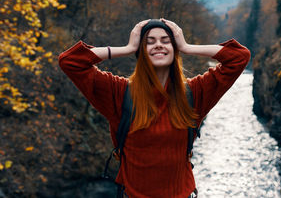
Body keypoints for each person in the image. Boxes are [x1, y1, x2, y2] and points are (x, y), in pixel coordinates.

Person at [58, 19, 250, 198]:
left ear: (175, 49)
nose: (158, 44)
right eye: (150, 42)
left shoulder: (194, 94)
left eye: (166, 41)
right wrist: (127, 48)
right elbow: (71, 61)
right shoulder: (119, 93)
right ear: (141, 50)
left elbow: (239, 57)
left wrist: (186, 47)